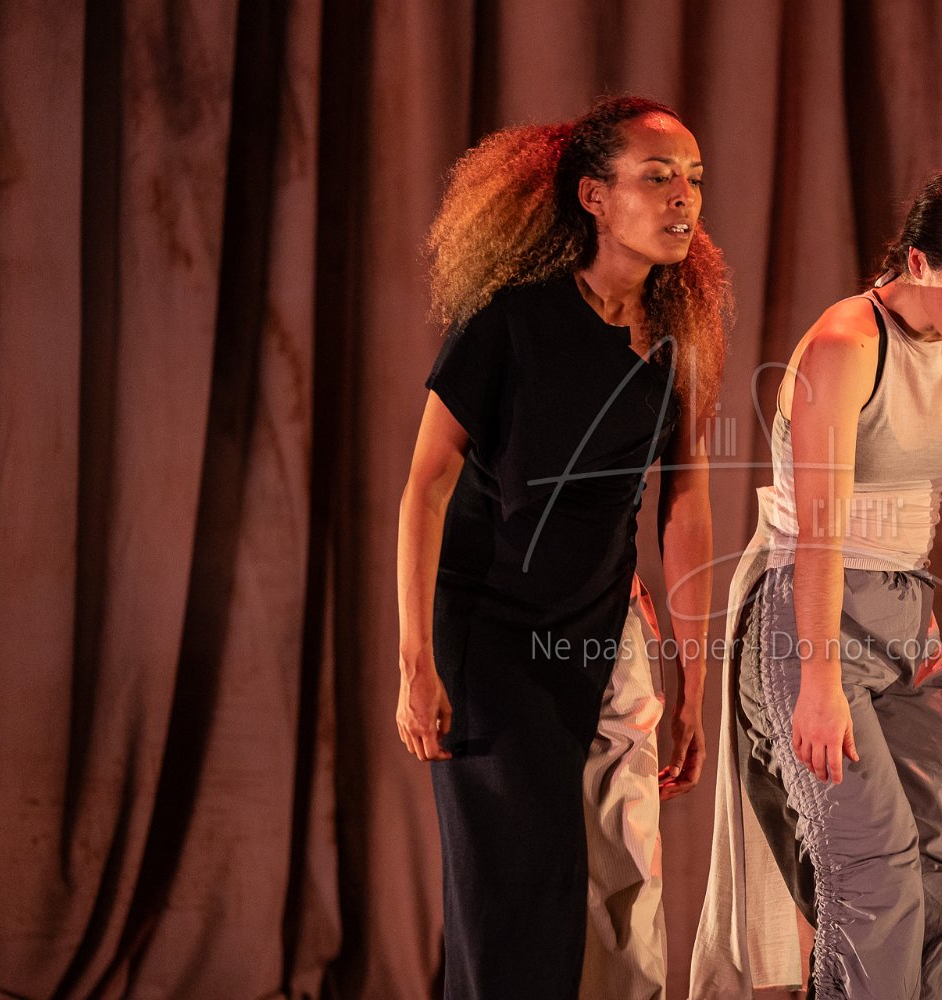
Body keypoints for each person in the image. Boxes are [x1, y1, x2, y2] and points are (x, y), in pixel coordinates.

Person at [394, 96, 729, 1000]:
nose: (683, 198)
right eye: (657, 177)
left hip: (604, 631)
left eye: (693, 179)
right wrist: (416, 661)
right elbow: (426, 487)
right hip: (492, 635)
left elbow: (686, 506)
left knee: (625, 891)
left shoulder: (679, 335)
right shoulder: (510, 320)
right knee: (518, 895)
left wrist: (694, 683)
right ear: (593, 195)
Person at [691, 166, 942, 1000]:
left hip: (908, 614)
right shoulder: (846, 344)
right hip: (807, 612)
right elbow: (819, 531)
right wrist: (817, 682)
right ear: (919, 262)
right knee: (873, 873)